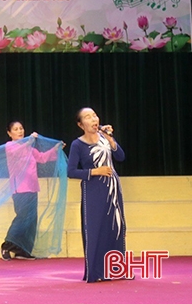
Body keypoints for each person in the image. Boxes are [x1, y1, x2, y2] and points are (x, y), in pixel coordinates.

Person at [67, 107, 126, 282]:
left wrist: (110, 139)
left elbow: (121, 157)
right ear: (80, 124)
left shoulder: (104, 138)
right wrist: (95, 171)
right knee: (95, 229)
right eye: (87, 117)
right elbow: (71, 171)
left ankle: (116, 269)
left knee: (115, 227)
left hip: (112, 188)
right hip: (93, 190)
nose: (93, 119)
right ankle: (96, 272)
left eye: (94, 115)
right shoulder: (77, 144)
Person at [1, 121, 63, 260]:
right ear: (9, 133)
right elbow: (17, 152)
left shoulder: (29, 148)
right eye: (16, 129)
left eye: (21, 128)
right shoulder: (10, 146)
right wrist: (29, 141)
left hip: (32, 187)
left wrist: (55, 149)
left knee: (31, 221)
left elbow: (42, 158)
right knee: (22, 218)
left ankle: (23, 250)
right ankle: (7, 245)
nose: (19, 131)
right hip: (20, 189)